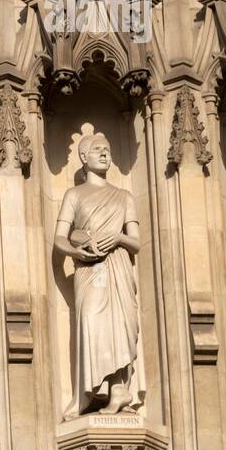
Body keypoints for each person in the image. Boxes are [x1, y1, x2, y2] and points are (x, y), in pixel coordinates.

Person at [53, 132, 142, 417]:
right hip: (89, 269)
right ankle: (86, 393)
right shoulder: (74, 195)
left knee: (119, 325)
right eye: (98, 150)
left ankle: (118, 391)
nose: (105, 154)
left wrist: (117, 237)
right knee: (90, 321)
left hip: (117, 266)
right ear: (83, 157)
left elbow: (136, 242)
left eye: (108, 149)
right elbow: (59, 239)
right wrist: (77, 252)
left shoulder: (124, 196)